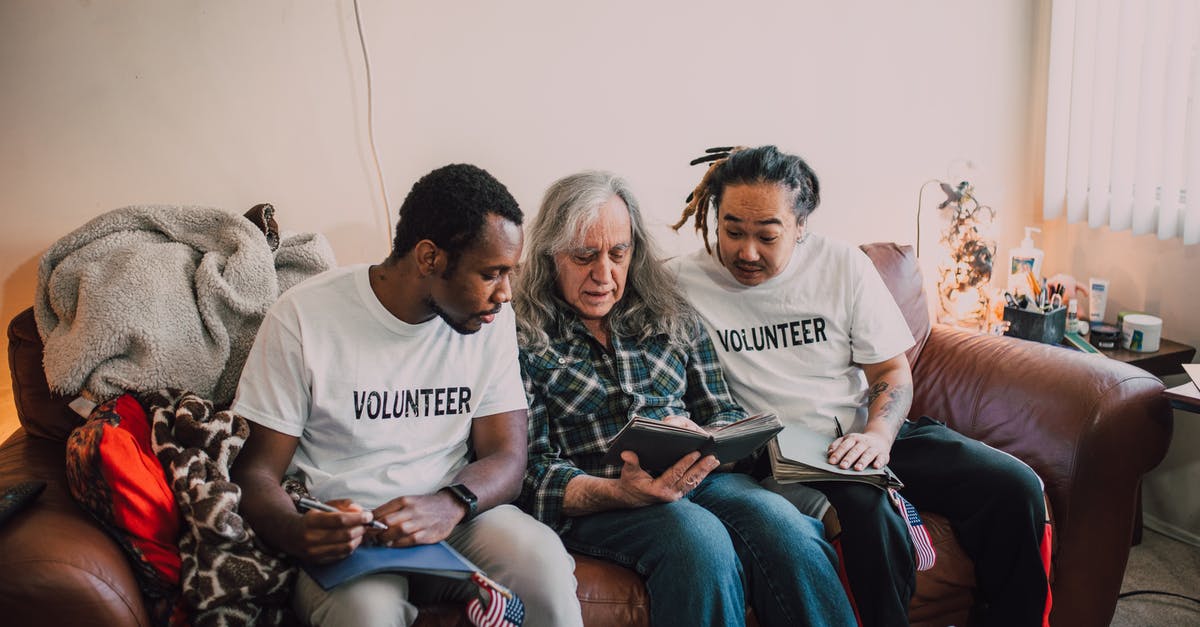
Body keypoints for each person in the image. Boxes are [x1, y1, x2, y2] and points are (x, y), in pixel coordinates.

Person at [668, 145, 1052, 627]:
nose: (746, 251)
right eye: (732, 231)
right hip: (782, 455)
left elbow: (891, 372)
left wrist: (877, 436)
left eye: (767, 235)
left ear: (801, 225)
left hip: (865, 432)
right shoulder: (680, 282)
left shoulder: (843, 265)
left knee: (1013, 486)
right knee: (869, 520)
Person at [230, 164, 583, 627]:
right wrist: (298, 532)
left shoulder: (489, 321)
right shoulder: (304, 317)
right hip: (356, 536)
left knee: (543, 562)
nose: (505, 293)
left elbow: (508, 458)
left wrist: (450, 503)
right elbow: (255, 473)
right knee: (366, 613)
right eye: (491, 273)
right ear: (429, 257)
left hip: (459, 518)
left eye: (509, 274)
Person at [513, 170, 856, 627]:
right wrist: (618, 492)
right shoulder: (521, 336)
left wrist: (707, 440)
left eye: (618, 253)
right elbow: (529, 470)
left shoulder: (668, 311)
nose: (604, 274)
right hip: (605, 494)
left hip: (701, 479)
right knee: (698, 542)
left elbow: (722, 411)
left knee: (786, 528)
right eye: (583, 256)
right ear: (550, 253)